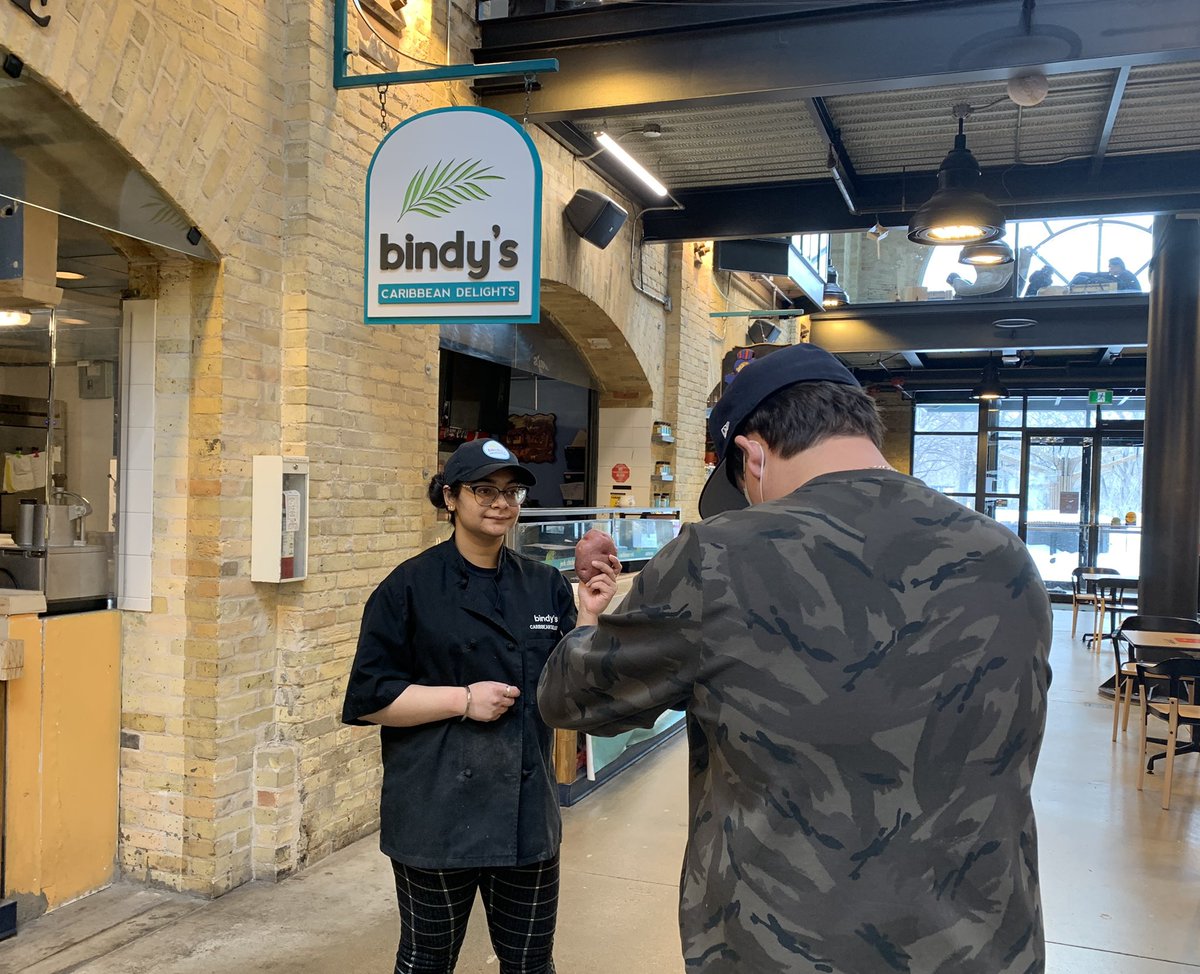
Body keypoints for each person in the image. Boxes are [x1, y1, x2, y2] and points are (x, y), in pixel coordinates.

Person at [538, 343, 1053, 974]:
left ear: (751, 453)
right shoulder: (1005, 557)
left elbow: (572, 699)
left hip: (785, 946)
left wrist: (589, 617)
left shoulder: (718, 556)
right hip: (984, 946)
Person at [341, 437, 618, 974]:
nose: (501, 502)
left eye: (511, 491)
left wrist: (590, 618)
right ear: (450, 498)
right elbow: (370, 698)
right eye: (483, 490)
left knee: (531, 964)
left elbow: (570, 695)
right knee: (426, 962)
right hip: (434, 811)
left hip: (525, 815)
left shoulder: (544, 587)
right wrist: (463, 699)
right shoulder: (409, 587)